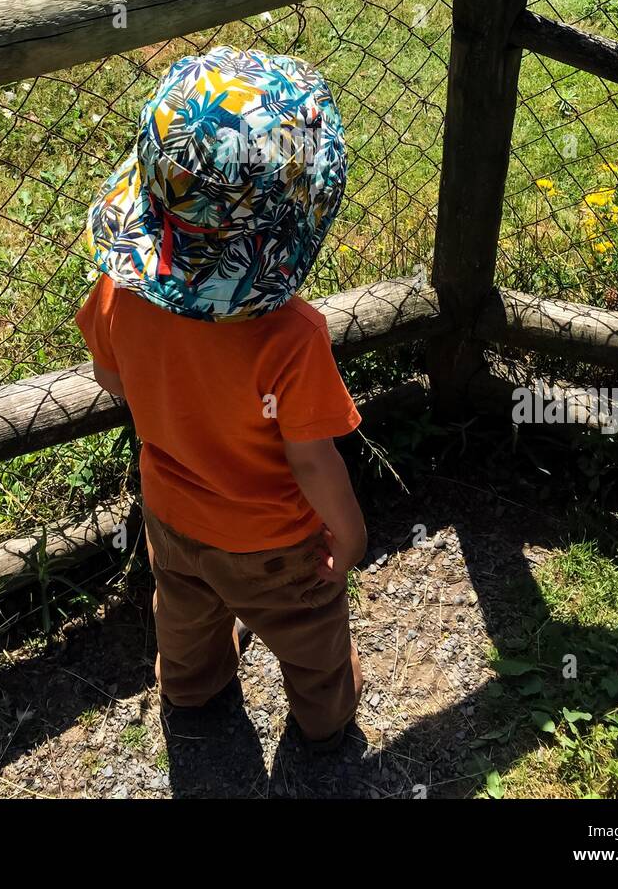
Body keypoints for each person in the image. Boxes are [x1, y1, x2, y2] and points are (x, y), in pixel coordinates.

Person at [76, 44, 366, 749]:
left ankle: (191, 689)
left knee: (184, 618)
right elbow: (311, 461)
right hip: (274, 544)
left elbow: (114, 380)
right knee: (310, 639)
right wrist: (350, 533)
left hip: (172, 515)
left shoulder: (121, 293)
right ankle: (327, 718)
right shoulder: (291, 337)